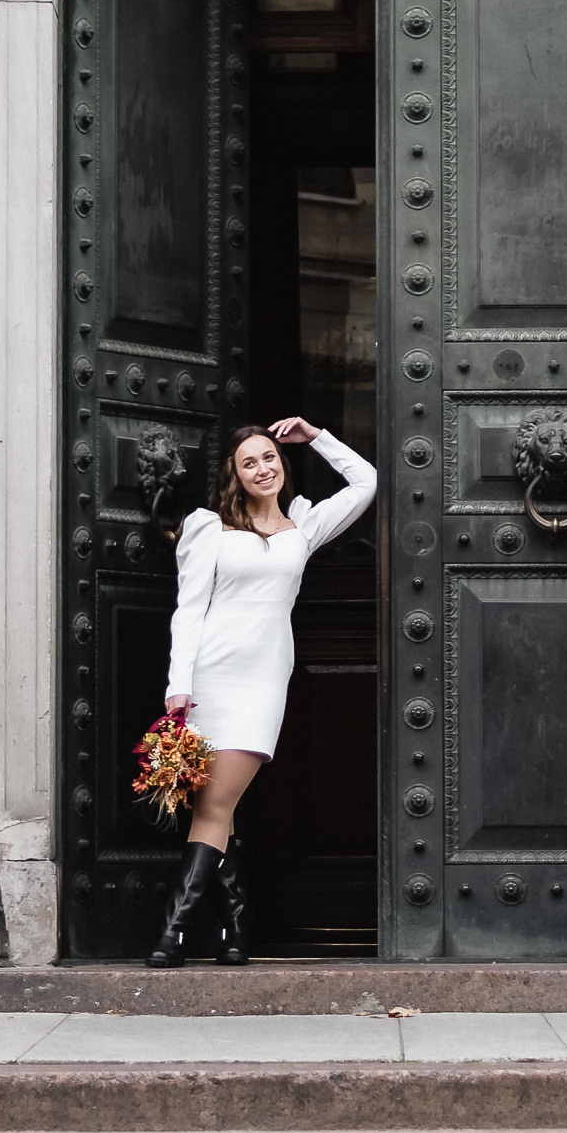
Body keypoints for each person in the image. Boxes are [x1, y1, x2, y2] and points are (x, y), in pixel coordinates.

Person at [148, 413, 376, 968]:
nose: (263, 468)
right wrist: (179, 685)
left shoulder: (306, 524)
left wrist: (316, 437)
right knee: (214, 806)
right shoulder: (209, 528)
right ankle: (228, 931)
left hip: (263, 679)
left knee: (216, 803)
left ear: (282, 463)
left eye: (269, 457)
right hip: (210, 677)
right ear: (234, 474)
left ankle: (175, 932)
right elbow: (189, 612)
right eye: (249, 462)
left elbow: (366, 481)